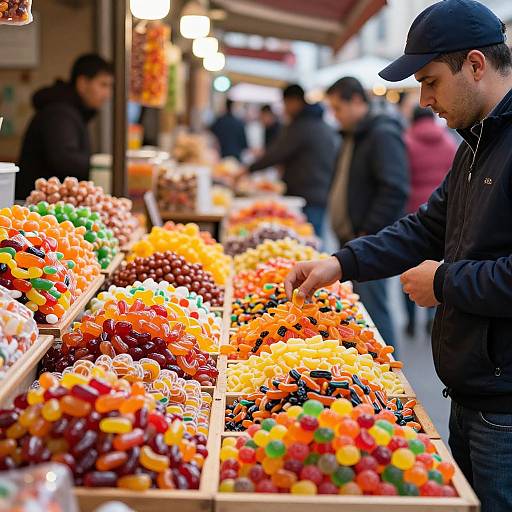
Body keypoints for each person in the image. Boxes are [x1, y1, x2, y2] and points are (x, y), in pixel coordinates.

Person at [284, 1, 512, 510]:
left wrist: (446, 283)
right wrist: (341, 264)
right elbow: (426, 227)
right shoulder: (474, 144)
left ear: (475, 65)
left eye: (430, 81)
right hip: (471, 392)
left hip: (505, 408)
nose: (424, 98)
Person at [326, 76, 408, 346]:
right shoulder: (353, 134)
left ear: (358, 101)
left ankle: (390, 374)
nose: (334, 116)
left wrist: (368, 232)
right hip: (355, 240)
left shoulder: (382, 134)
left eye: (338, 108)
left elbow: (395, 189)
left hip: (370, 242)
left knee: (374, 312)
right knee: (364, 310)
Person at [17, 54, 113, 200]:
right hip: (37, 207)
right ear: (82, 83)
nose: (108, 94)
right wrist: (102, 166)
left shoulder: (70, 110)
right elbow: (65, 160)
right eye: (103, 85)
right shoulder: (59, 114)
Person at [248, 84, 338, 237]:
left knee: (308, 240)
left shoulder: (301, 126)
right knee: (312, 239)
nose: (284, 109)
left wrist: (247, 169)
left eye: (285, 104)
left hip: (306, 194)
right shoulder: (320, 124)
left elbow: (277, 153)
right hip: (320, 191)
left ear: (294, 101)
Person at [403, 106, 457, 336]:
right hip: (442, 208)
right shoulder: (449, 143)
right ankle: (429, 315)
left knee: (411, 269)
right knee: (433, 268)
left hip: (415, 209)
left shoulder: (406, 142)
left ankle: (411, 319)